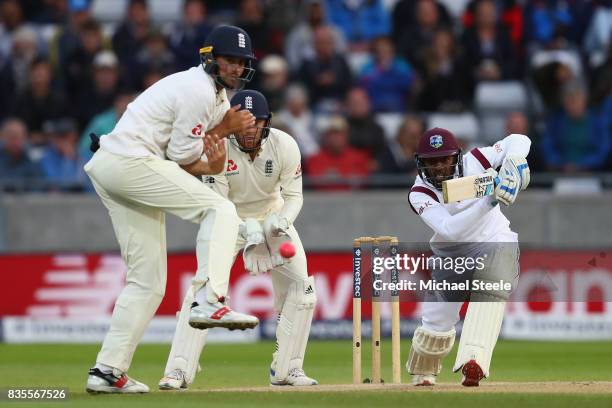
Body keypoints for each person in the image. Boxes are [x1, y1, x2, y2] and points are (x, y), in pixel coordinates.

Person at [84, 25, 260, 394]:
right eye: (230, 61)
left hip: (118, 166)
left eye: (242, 63)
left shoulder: (216, 98)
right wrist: (226, 130)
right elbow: (183, 157)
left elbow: (199, 161)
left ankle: (106, 371)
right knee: (220, 210)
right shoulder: (196, 89)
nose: (236, 69)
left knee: (148, 283)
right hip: (129, 162)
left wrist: (212, 161)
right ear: (210, 58)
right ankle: (210, 300)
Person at [159, 90, 317, 390]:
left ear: (266, 122)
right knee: (204, 290)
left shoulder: (284, 145)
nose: (249, 130)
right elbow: (217, 202)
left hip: (273, 219)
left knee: (303, 290)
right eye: (243, 123)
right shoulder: (217, 148)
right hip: (226, 222)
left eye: (255, 122)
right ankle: (178, 370)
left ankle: (288, 369)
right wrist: (248, 232)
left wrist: (279, 223)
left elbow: (294, 196)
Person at [407, 127, 531, 386]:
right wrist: (490, 200)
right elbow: (450, 231)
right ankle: (423, 370)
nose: (440, 167)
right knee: (436, 323)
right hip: (452, 251)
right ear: (421, 163)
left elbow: (519, 139)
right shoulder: (420, 193)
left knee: (492, 286)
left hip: (494, 240)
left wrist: (514, 163)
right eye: (432, 162)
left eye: (445, 159)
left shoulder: (476, 160)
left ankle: (473, 360)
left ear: (457, 157)